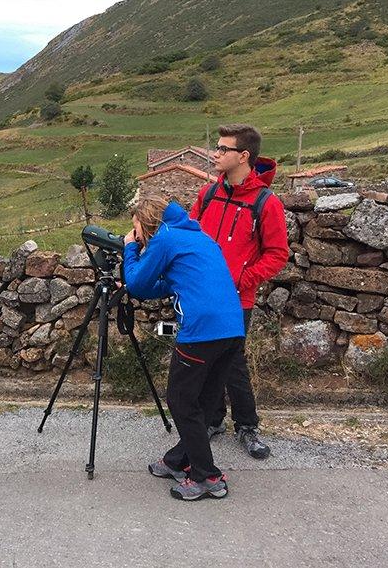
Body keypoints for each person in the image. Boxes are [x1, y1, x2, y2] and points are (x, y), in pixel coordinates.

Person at [123, 193, 246, 501]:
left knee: (180, 400)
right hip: (232, 329)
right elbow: (171, 283)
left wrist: (129, 248)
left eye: (136, 227)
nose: (136, 233)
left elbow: (137, 285)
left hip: (202, 331)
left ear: (146, 223)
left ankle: (207, 476)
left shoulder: (164, 238)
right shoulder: (197, 236)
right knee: (203, 401)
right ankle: (178, 460)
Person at [189, 124, 289, 459]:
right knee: (204, 360)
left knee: (232, 363)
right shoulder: (207, 194)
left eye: (222, 148)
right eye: (216, 147)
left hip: (236, 298)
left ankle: (247, 426)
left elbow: (277, 254)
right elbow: (191, 237)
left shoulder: (266, 202)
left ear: (243, 156)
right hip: (201, 295)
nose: (215, 154)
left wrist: (241, 280)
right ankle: (213, 419)